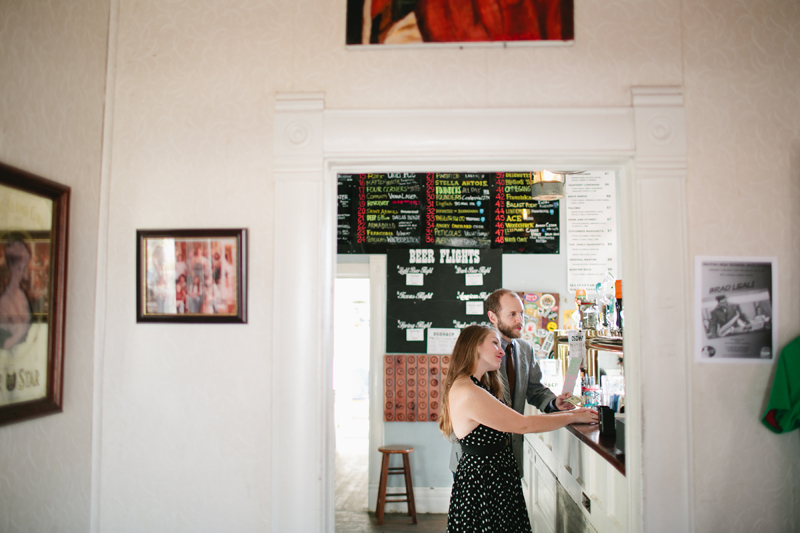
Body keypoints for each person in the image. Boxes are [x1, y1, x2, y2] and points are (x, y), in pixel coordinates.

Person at [441, 325, 597, 532]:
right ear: (475, 347)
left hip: (492, 478)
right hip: (485, 482)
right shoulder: (469, 391)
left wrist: (567, 413)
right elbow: (524, 424)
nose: (501, 350)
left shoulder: (475, 385)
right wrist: (573, 416)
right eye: (494, 343)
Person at [449, 288, 576, 477]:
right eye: (512, 314)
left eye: (522, 314)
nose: (520, 320)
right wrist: (575, 416)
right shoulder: (480, 353)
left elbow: (534, 389)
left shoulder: (525, 349)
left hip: (510, 455)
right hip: (478, 458)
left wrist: (553, 402)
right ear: (493, 316)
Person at [0, 240, 33, 351]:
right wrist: (19, 333)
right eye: (19, 268)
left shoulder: (22, 296)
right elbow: (3, 345)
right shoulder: (3, 302)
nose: (23, 274)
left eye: (25, 268)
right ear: (11, 267)